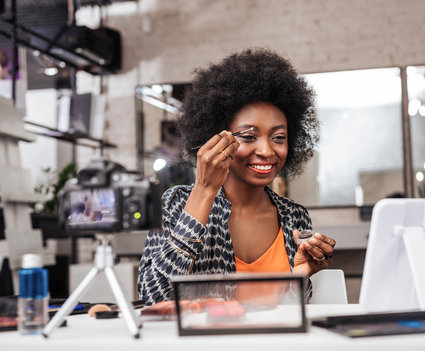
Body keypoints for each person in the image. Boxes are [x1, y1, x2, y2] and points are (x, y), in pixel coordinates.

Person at [138, 48, 336, 305]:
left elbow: (291, 311)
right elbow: (153, 298)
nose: (266, 151)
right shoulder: (176, 203)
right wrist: (204, 191)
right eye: (248, 137)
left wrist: (299, 275)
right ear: (214, 138)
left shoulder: (294, 216)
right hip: (206, 345)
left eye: (278, 138)